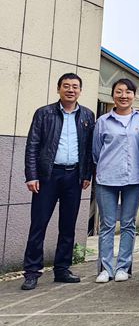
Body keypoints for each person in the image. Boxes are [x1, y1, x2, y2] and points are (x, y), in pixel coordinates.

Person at [21, 73, 95, 290]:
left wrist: (86, 174)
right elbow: (32, 145)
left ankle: (62, 269)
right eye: (66, 86)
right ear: (58, 89)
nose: (71, 90)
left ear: (80, 91)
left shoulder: (87, 115)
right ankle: (32, 271)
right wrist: (32, 175)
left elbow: (88, 148)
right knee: (39, 224)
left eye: (75, 86)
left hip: (74, 176)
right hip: (48, 176)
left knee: (68, 225)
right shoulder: (44, 113)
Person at [92, 78, 139, 283]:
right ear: (113, 95)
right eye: (119, 91)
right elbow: (96, 151)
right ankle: (105, 268)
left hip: (134, 178)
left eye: (128, 92)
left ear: (134, 95)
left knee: (128, 224)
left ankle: (123, 267)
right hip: (107, 178)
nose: (124, 96)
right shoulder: (103, 121)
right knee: (107, 224)